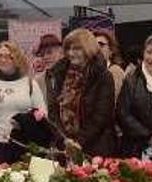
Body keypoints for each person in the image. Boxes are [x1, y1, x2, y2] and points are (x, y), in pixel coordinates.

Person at [45, 28, 117, 157]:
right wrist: (64, 140)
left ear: (88, 49)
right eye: (68, 49)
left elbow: (102, 115)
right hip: (64, 147)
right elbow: (53, 111)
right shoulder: (57, 74)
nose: (71, 53)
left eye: (77, 49)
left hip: (95, 148)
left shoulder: (103, 76)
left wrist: (79, 142)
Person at [0, 41, 46, 164]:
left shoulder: (30, 84)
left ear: (17, 59)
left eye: (8, 56)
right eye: (0, 56)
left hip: (25, 144)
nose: (3, 60)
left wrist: (23, 122)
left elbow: (42, 114)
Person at [94, 29, 126, 100]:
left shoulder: (115, 71)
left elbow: (113, 101)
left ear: (111, 50)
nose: (97, 49)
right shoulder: (92, 72)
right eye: (94, 45)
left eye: (101, 44)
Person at [35, 33, 64, 102]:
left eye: (49, 52)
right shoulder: (38, 81)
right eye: (42, 54)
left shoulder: (72, 77)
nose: (45, 57)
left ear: (61, 52)